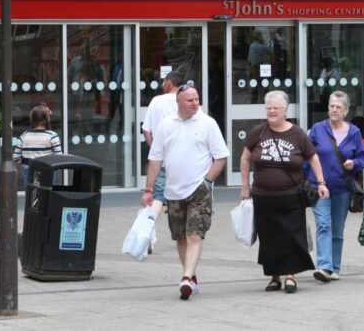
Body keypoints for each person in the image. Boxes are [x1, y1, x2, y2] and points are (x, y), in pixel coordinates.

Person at [142, 82, 229, 300]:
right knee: (180, 237)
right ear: (178, 102)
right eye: (190, 100)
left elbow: (221, 157)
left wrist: (207, 182)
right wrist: (149, 189)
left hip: (199, 190)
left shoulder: (208, 123)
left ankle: (187, 278)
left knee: (194, 235)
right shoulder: (165, 125)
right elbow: (155, 160)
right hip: (173, 191)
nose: (194, 103)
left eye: (197, 99)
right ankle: (190, 275)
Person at [240, 91, 330, 293]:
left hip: (291, 195)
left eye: (275, 108)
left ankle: (290, 276)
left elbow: (313, 158)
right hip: (263, 196)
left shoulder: (297, 133)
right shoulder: (258, 132)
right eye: (268, 108)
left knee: (291, 235)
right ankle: (274, 277)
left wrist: (321, 183)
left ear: (285, 111)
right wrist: (245, 186)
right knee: (269, 238)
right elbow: (245, 158)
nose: (271, 111)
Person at [306, 90, 364, 282]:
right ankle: (324, 266)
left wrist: (353, 164)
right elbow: (307, 155)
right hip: (319, 187)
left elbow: (362, 159)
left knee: (337, 229)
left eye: (338, 107)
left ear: (346, 110)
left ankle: (335, 267)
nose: (334, 110)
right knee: (323, 225)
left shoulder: (354, 132)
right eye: (331, 106)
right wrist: (306, 178)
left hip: (342, 188)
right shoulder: (317, 129)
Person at [141, 70, 185, 252]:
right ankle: (188, 235)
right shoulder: (188, 102)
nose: (162, 84)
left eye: (163, 81)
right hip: (183, 159)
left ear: (169, 83)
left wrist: (155, 151)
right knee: (184, 197)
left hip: (162, 159)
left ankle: (148, 231)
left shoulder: (157, 101)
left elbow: (146, 130)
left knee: (158, 198)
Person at [13, 104, 62, 184]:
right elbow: (59, 157)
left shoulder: (24, 135)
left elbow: (16, 157)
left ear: (32, 119)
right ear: (47, 119)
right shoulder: (52, 136)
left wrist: (26, 163)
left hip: (29, 171)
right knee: (48, 195)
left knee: (32, 195)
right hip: (47, 171)